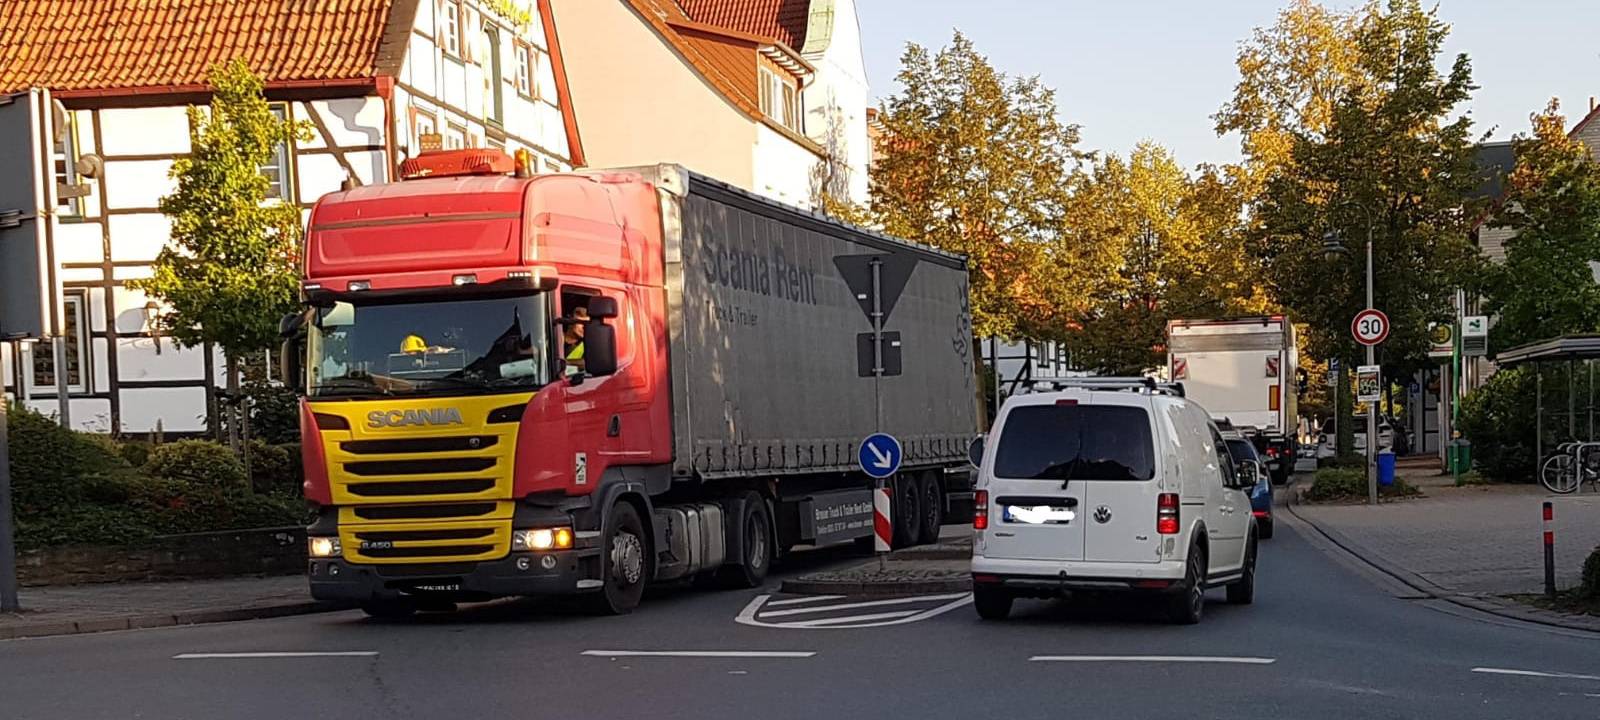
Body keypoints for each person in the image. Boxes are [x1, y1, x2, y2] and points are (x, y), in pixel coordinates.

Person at [562, 305, 589, 375]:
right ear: (570, 321)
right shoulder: (554, 337)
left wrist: (565, 363)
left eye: (587, 324)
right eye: (581, 323)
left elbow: (589, 363)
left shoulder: (588, 345)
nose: (584, 327)